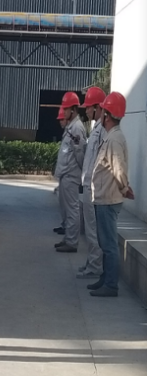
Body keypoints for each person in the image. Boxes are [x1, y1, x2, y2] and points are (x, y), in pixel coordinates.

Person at [88, 92, 133, 297]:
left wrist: (124, 188)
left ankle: (111, 284)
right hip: (104, 198)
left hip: (108, 199)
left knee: (109, 245)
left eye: (103, 111)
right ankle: (106, 278)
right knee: (105, 243)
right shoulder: (112, 136)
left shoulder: (114, 139)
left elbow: (119, 169)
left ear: (107, 114)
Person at [77, 87, 107, 279]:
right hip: (88, 186)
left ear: (97, 107)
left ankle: (95, 266)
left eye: (89, 107)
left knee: (93, 230)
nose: (86, 110)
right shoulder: (96, 128)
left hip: (94, 188)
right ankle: (91, 261)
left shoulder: (102, 130)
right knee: (89, 229)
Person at [54, 92, 86, 253]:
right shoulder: (71, 127)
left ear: (73, 109)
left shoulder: (77, 128)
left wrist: (78, 173)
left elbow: (80, 154)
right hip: (66, 174)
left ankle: (72, 242)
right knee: (67, 210)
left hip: (71, 175)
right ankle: (68, 238)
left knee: (72, 210)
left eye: (66, 109)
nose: (64, 111)